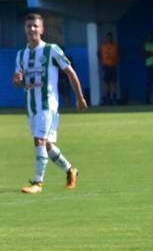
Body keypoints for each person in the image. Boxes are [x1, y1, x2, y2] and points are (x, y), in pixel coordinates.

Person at [12, 13, 87, 194]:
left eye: (35, 26)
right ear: (25, 30)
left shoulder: (51, 50)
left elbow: (70, 72)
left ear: (42, 29)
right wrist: (17, 80)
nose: (32, 29)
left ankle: (37, 183)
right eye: (29, 26)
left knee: (39, 140)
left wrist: (80, 97)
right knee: (46, 145)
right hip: (31, 106)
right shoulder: (21, 55)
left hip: (48, 105)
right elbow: (18, 82)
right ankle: (71, 170)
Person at [99, 32, 120, 105]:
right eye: (107, 37)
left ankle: (114, 98)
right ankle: (107, 99)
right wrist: (102, 61)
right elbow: (99, 53)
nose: (109, 39)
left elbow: (120, 53)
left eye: (110, 37)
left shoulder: (115, 45)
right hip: (106, 66)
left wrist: (117, 60)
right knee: (106, 83)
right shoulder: (103, 46)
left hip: (113, 66)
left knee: (113, 82)